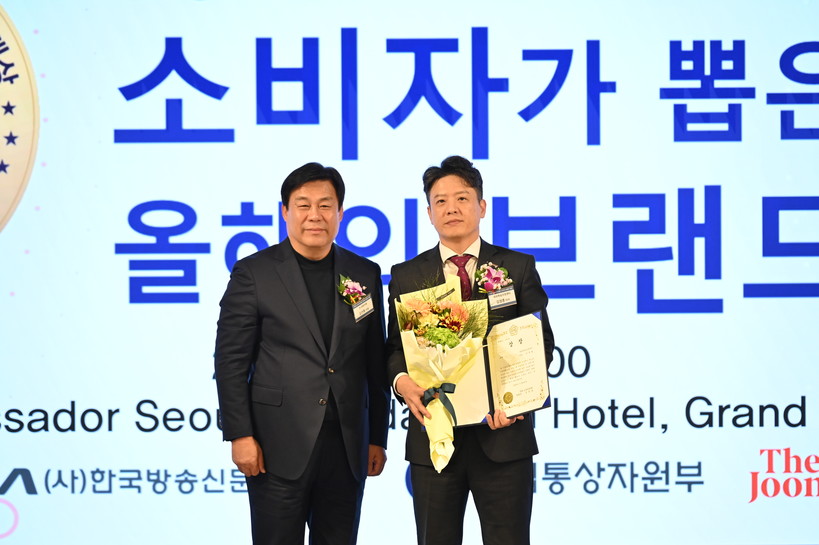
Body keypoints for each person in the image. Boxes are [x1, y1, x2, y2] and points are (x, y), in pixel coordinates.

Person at [214, 162, 390, 545]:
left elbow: (374, 363)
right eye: (303, 205)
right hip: (276, 445)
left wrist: (377, 436)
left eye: (325, 205)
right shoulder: (254, 273)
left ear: (340, 213)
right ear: (285, 212)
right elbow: (230, 362)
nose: (315, 215)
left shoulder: (364, 273)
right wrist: (240, 434)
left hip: (347, 447)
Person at [386, 155, 555, 545]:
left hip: (503, 436)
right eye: (440, 201)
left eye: (462, 198)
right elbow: (395, 349)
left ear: (481, 206)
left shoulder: (516, 267)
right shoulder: (407, 276)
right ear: (429, 214)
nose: (451, 208)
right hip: (435, 437)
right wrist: (401, 382)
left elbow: (539, 342)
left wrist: (516, 401)